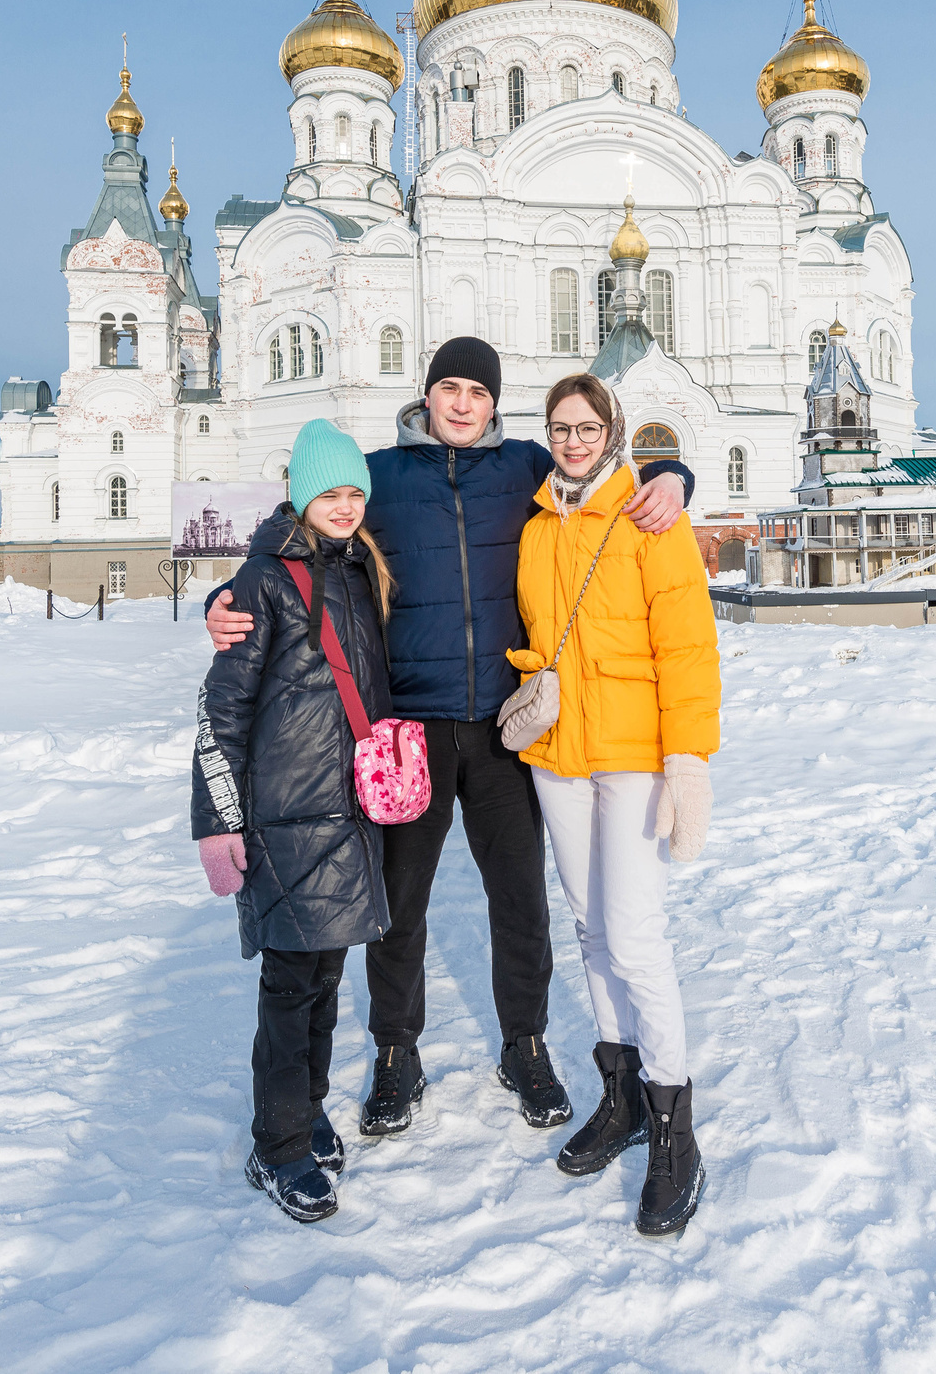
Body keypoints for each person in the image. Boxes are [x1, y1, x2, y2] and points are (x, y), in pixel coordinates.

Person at [204, 336, 695, 1138]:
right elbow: (299, 519)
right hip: (411, 729)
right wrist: (228, 595)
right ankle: (396, 1053)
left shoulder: (525, 466)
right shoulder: (383, 475)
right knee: (400, 904)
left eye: (478, 391)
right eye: (450, 388)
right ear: (427, 394)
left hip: (505, 726)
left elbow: (602, 466)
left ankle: (525, 1043)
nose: (463, 403)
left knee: (521, 899)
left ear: (495, 402)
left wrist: (675, 474)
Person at [512, 372, 720, 1238]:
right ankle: (622, 1094)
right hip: (559, 754)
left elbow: (687, 642)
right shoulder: (535, 524)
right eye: (560, 427)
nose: (572, 441)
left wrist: (687, 757)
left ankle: (675, 1124)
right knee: (591, 929)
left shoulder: (650, 516)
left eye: (587, 427)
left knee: (634, 935)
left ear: (613, 431)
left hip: (634, 755)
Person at [191, 419, 396, 1224]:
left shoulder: (356, 570)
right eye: (329, 493)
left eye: (355, 493)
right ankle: (275, 1145)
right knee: (288, 987)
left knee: (324, 979)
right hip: (282, 820)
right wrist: (218, 821)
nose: (344, 506)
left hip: (346, 816)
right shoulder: (264, 580)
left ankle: (305, 1112)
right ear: (301, 496)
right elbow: (222, 708)